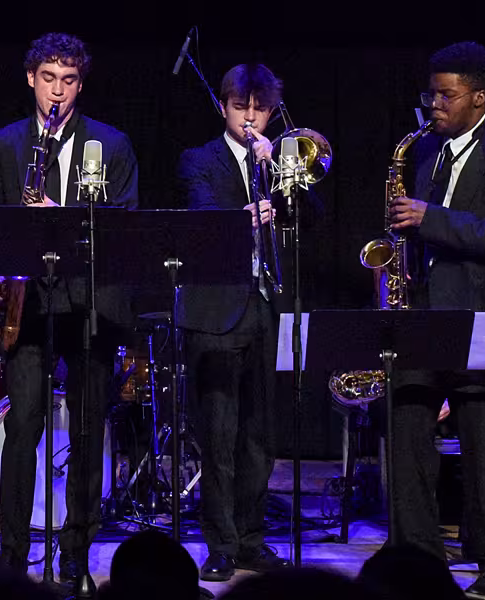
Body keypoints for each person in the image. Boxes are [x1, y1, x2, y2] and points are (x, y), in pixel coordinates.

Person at [0, 32, 138, 586]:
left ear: (80, 83)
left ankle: (75, 549)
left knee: (90, 428)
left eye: (69, 81)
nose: (58, 92)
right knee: (23, 425)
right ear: (31, 79)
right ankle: (12, 553)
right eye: (48, 78)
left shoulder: (112, 144)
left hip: (90, 303)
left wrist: (61, 215)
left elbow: (122, 230)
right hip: (30, 303)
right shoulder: (5, 143)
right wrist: (0, 272)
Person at [390, 41, 485, 599]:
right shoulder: (425, 153)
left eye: (447, 95)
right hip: (423, 313)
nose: (434, 105)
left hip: (482, 312)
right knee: (406, 426)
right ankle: (418, 555)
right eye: (431, 94)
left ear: (479, 97)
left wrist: (431, 218)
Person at [175, 63, 291, 582]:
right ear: (224, 106)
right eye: (241, 107)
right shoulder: (198, 158)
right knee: (218, 437)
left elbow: (312, 215)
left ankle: (250, 538)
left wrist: (283, 175)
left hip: (266, 307)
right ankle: (219, 542)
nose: (250, 118)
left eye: (259, 109)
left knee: (259, 435)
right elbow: (203, 216)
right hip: (215, 312)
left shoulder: (279, 160)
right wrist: (244, 213)